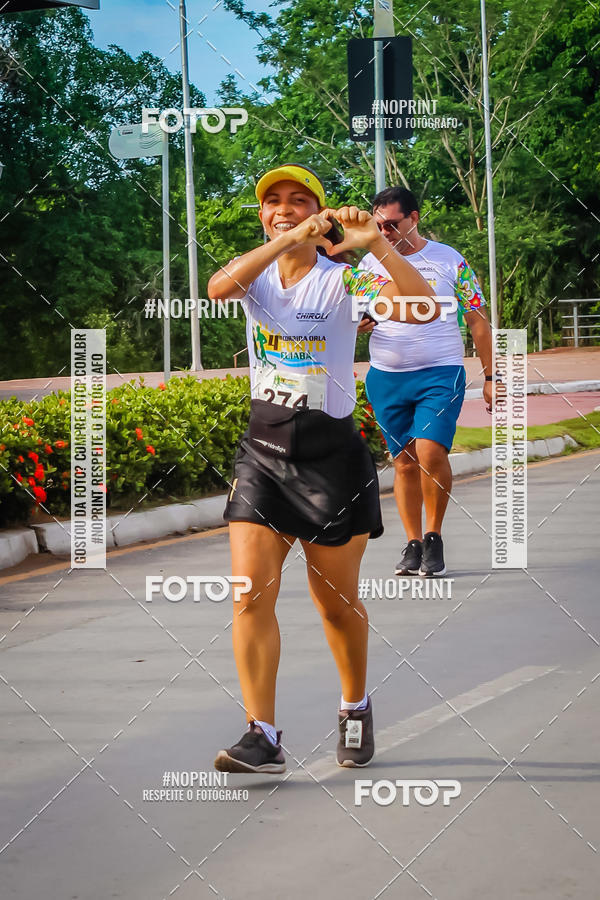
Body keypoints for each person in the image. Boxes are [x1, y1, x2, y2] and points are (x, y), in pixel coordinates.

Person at [207, 164, 437, 774]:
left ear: (321, 212)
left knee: (335, 604)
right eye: (273, 201)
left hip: (330, 459)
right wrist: (285, 240)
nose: (284, 208)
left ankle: (355, 706)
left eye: (298, 200)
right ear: (263, 214)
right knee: (249, 596)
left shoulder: (342, 280)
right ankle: (262, 735)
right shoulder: (255, 276)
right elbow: (218, 288)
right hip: (262, 454)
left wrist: (376, 244)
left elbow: (419, 308)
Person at [359, 186, 493, 577]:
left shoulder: (449, 260)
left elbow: (477, 320)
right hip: (387, 376)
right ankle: (413, 542)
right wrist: (358, 323)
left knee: (431, 452)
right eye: (377, 226)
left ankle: (434, 536)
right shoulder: (367, 264)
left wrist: (492, 376)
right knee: (404, 462)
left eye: (391, 224)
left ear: (413, 218)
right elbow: (351, 315)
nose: (384, 232)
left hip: (440, 372)